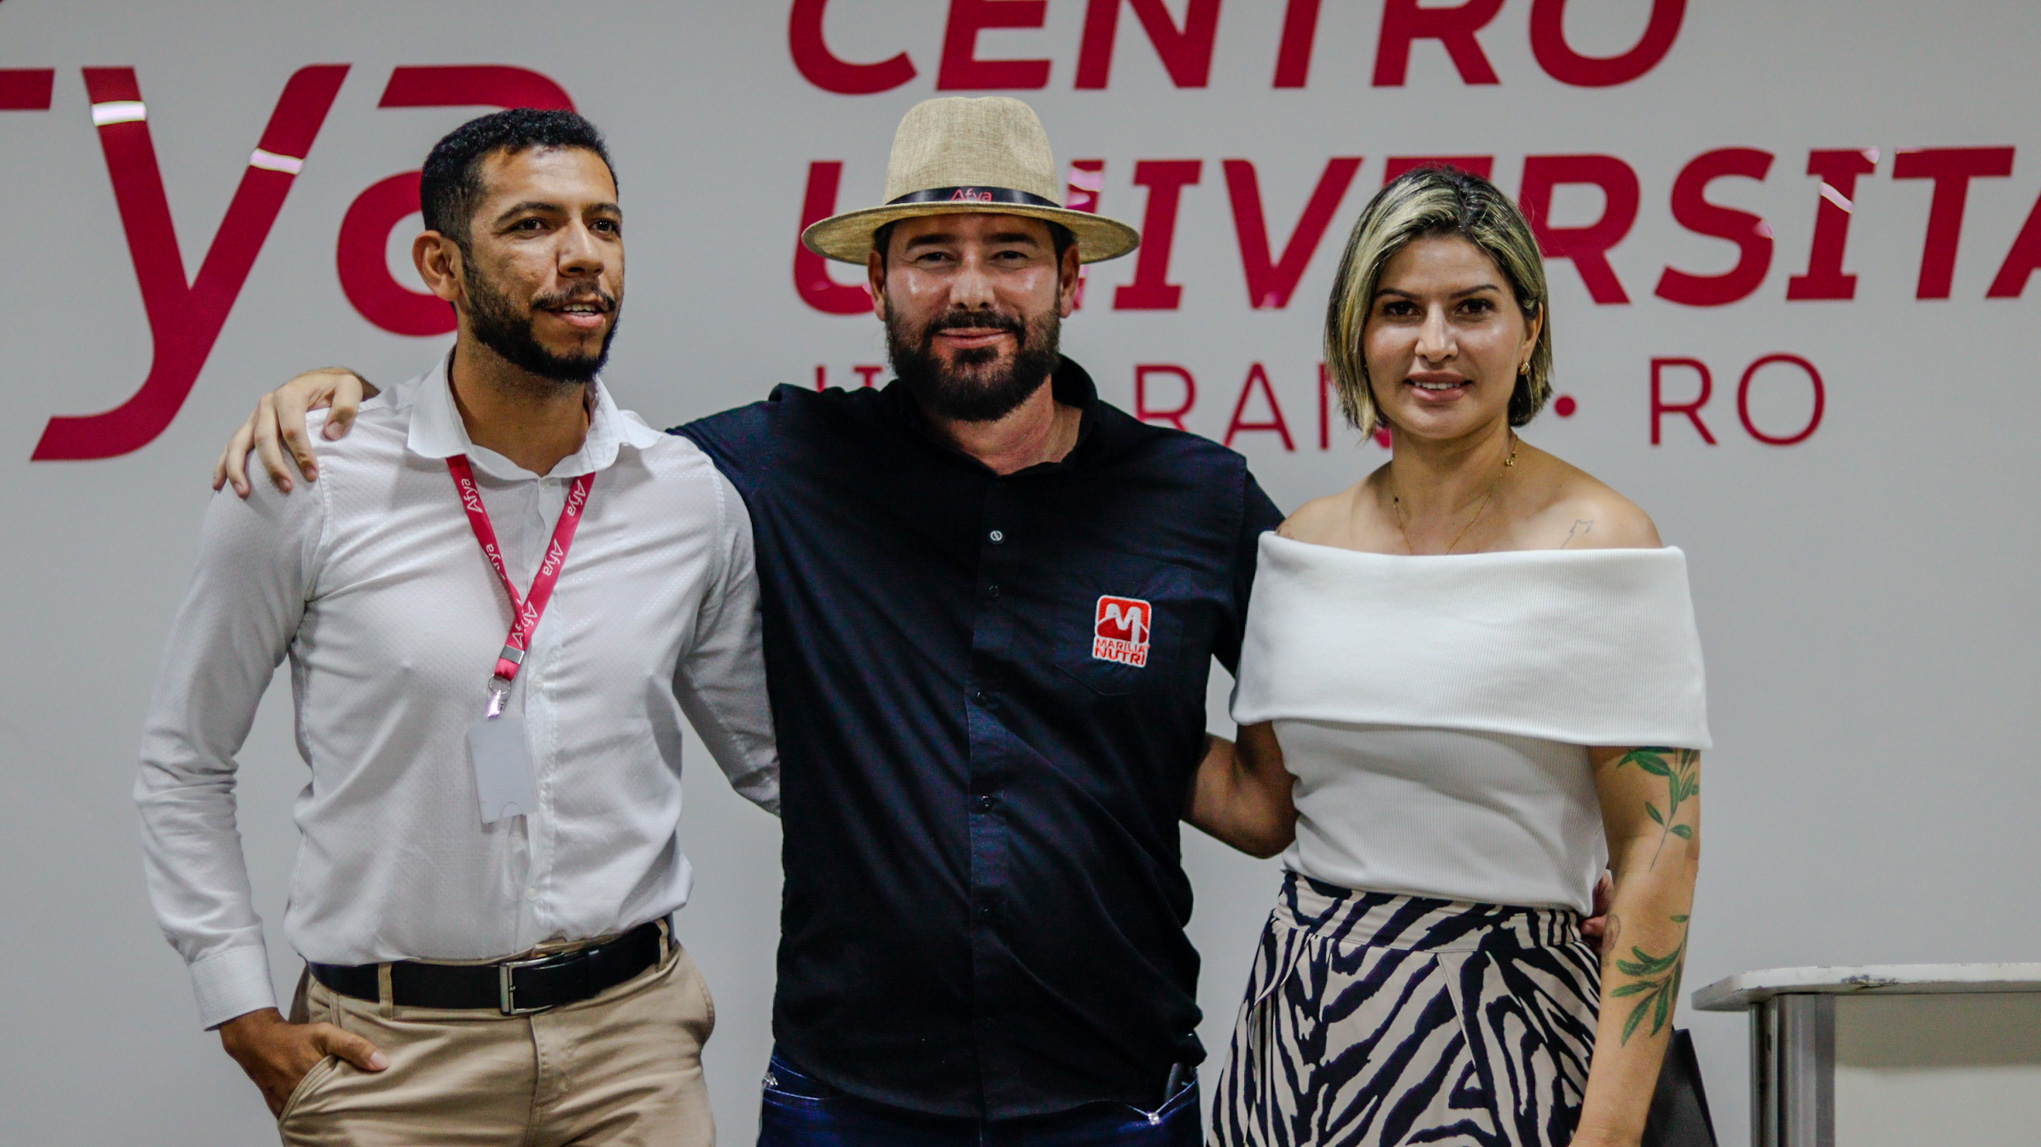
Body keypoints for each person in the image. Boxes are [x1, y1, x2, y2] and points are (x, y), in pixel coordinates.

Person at [216, 95, 1275, 1146]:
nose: (970, 289)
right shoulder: (777, 463)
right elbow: (542, 435)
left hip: (1118, 1096)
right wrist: (365, 411)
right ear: (876, 281)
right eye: (930, 255)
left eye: (1009, 253)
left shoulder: (1196, 496)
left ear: (1068, 279)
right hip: (847, 1102)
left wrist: (1136, 737)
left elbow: (1292, 755)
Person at [140, 109, 778, 1146]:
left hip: (631, 1051)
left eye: (604, 224)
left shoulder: (685, 495)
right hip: (392, 1063)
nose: (581, 255)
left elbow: (776, 758)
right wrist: (240, 1008)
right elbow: (184, 757)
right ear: (439, 264)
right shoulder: (314, 478)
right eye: (533, 224)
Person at [1200, 166, 1708, 1146]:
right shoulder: (1301, 546)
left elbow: (1656, 860)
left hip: (1508, 1039)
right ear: (1356, 333)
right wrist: (1080, 711)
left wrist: (1606, 1136)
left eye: (1471, 308)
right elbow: (1264, 808)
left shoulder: (1601, 542)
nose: (1433, 344)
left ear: (1529, 329)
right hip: (1298, 1042)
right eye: (1399, 309)